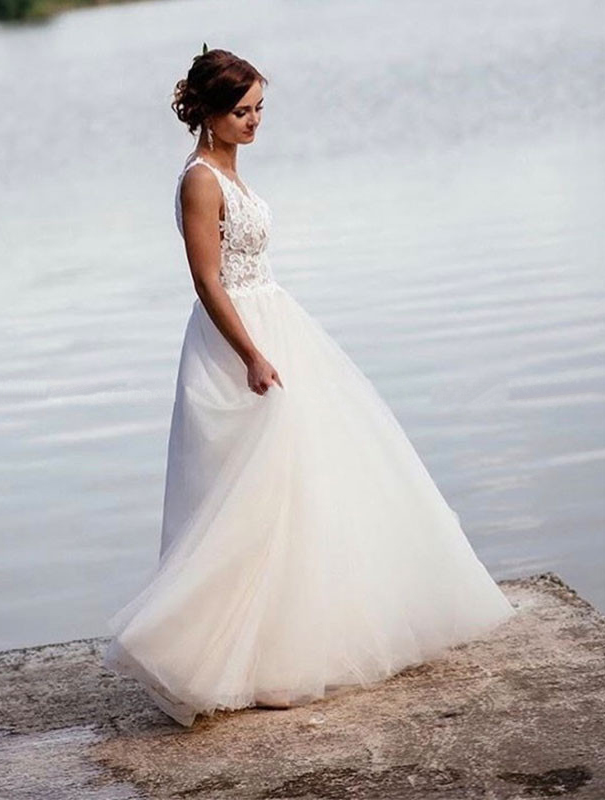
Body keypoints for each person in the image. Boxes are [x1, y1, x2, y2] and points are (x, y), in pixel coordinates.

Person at [101, 47, 517, 728]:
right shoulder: (200, 180)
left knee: (297, 487)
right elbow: (207, 281)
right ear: (206, 112)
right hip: (238, 340)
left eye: (261, 108)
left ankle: (280, 652)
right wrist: (252, 357)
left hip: (276, 320)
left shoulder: (231, 168)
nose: (255, 122)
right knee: (245, 499)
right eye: (242, 111)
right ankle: (220, 657)